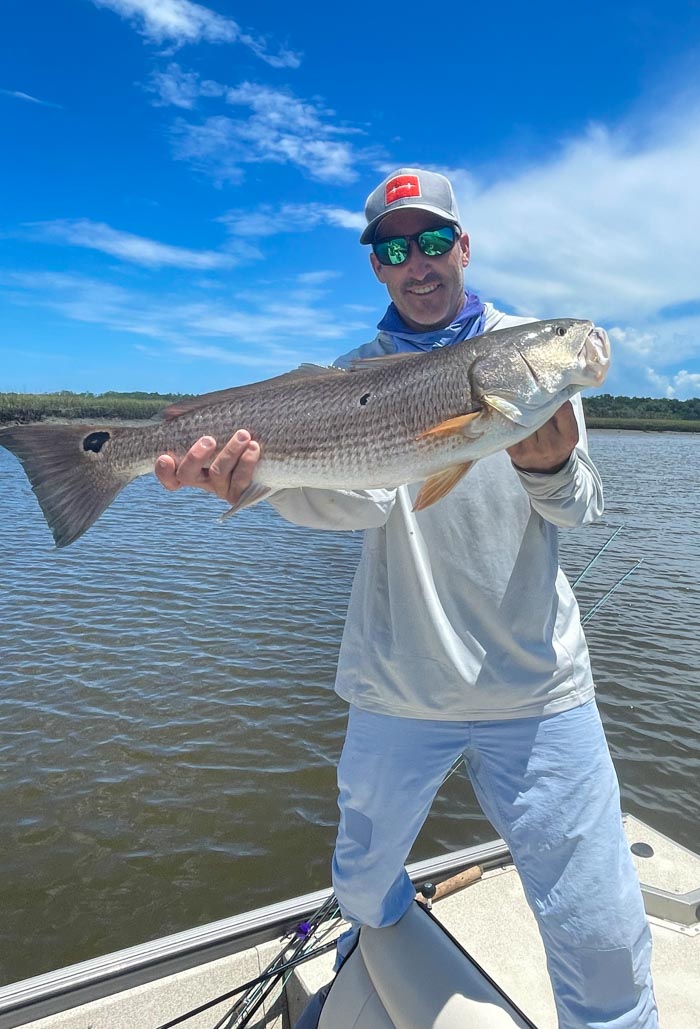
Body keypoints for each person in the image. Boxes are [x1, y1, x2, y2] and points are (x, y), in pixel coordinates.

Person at [155, 168, 657, 1027]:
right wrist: (255, 483)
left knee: (604, 933)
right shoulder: (350, 376)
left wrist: (548, 463)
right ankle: (368, 941)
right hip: (397, 684)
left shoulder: (521, 364)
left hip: (537, 688)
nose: (417, 263)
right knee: (360, 876)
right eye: (395, 248)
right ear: (379, 267)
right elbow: (353, 505)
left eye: (432, 242)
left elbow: (583, 506)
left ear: (462, 247)